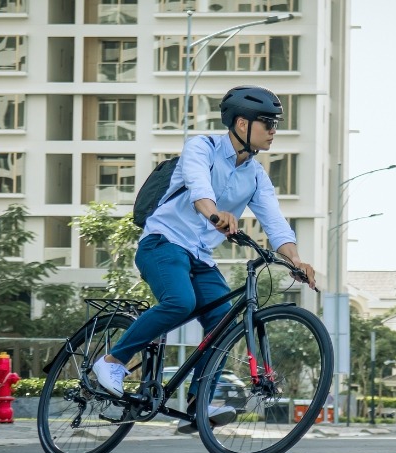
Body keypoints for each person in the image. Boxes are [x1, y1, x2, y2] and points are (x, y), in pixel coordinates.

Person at [93, 85, 316, 432]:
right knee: (180, 302)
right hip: (162, 242)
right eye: (268, 123)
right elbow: (199, 189)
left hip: (200, 256)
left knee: (223, 319)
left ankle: (201, 401)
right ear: (242, 124)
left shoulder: (256, 175)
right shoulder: (203, 147)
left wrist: (296, 260)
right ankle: (112, 361)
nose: (274, 131)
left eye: (276, 124)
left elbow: (275, 222)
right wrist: (215, 215)